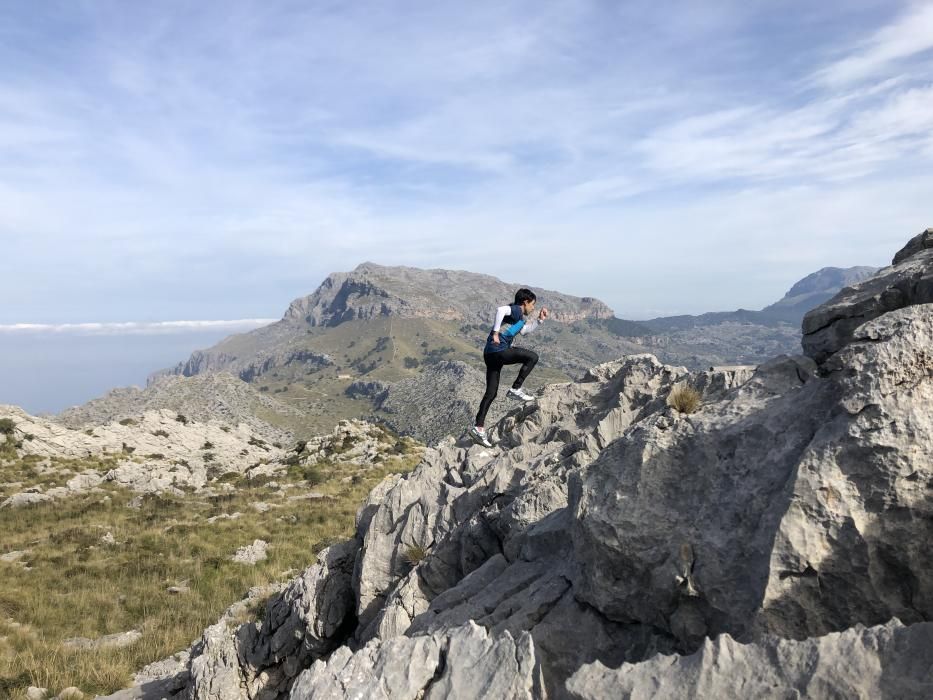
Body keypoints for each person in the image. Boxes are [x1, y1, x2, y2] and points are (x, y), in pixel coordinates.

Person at [469, 288, 549, 447]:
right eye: (532, 305)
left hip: (490, 354)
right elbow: (500, 310)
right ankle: (516, 388)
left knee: (491, 393)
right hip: (499, 351)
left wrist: (539, 321)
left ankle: (478, 427)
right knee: (533, 357)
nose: (533, 308)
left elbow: (524, 331)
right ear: (525, 302)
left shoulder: (520, 319)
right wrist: (496, 332)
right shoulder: (516, 310)